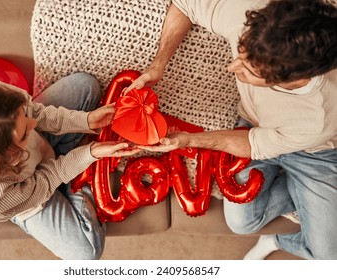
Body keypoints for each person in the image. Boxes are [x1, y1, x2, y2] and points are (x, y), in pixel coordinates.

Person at [128, 0, 337, 260]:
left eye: (249, 70)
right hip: (256, 127)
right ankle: (309, 205)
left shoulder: (320, 115)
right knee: (242, 223)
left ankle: (286, 235)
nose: (232, 67)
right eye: (240, 51)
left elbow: (250, 144)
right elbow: (184, 4)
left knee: (329, 259)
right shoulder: (258, 18)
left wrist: (191, 140)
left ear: (289, 80)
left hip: (314, 152)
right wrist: (157, 66)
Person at [0, 73, 141, 260]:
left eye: (22, 114)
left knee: (85, 86)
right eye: (23, 135)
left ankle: (69, 155)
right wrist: (88, 153)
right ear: (0, 160)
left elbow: (36, 114)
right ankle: (78, 172)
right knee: (86, 253)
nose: (33, 123)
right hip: (28, 196)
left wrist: (85, 121)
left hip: (39, 150)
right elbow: (48, 178)